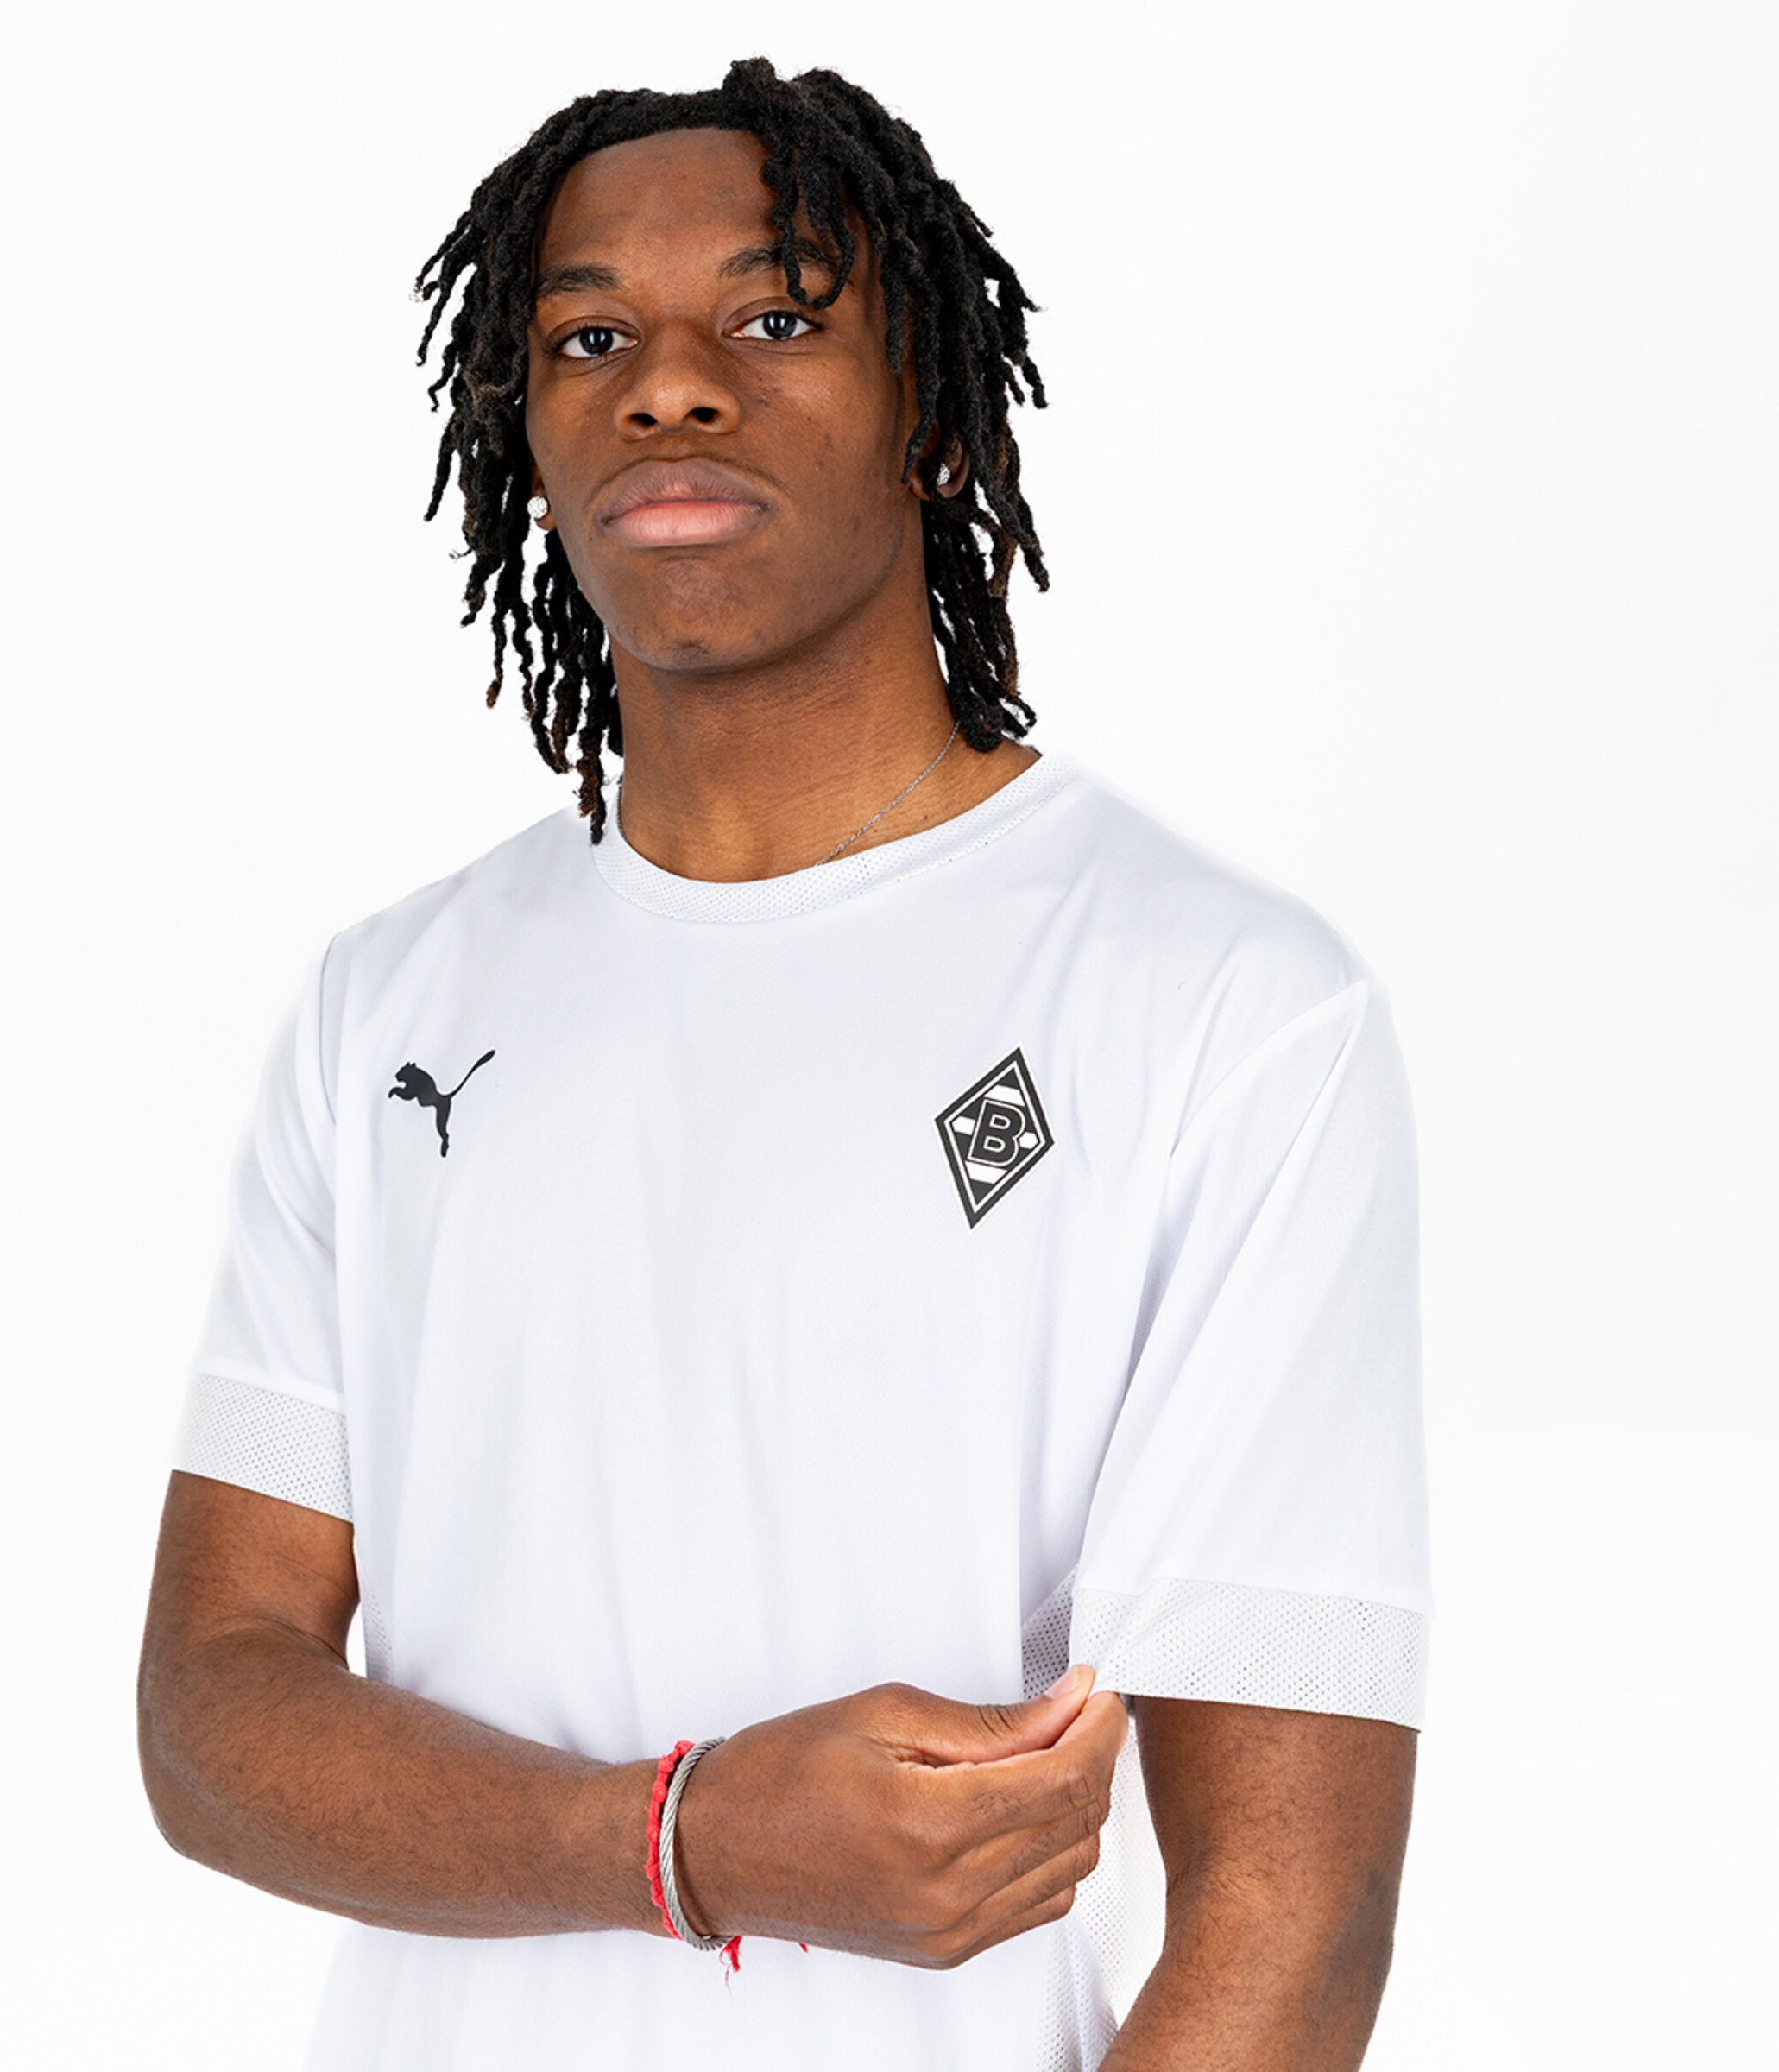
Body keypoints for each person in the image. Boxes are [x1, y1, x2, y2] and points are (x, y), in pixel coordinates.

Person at [137, 55, 1430, 2072]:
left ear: (928, 409)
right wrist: (682, 1840)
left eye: (774, 315)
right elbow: (214, 1718)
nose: (669, 383)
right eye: (590, 337)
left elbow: (1293, 1913)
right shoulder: (389, 1003)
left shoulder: (1221, 1009)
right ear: (530, 432)